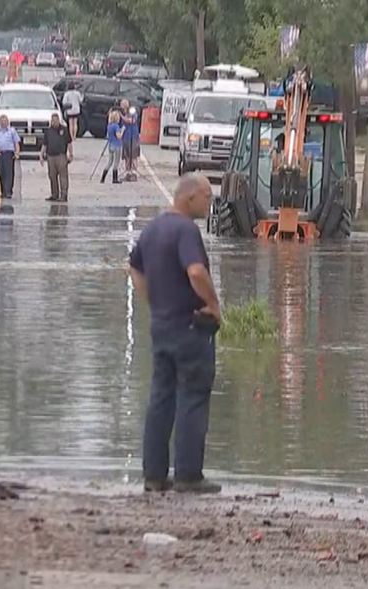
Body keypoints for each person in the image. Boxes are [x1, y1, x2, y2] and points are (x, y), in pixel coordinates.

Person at [128, 172, 222, 495]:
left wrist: (153, 301)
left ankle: (153, 475)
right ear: (190, 197)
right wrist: (213, 303)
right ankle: (188, 476)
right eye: (208, 197)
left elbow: (134, 268)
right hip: (190, 326)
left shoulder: (153, 228)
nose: (211, 203)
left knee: (160, 399)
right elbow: (195, 271)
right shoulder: (186, 231)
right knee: (193, 397)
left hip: (161, 326)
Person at [40, 112, 72, 202]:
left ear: (59, 120)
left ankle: (64, 195)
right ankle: (54, 194)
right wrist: (41, 155)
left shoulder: (64, 130)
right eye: (53, 121)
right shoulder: (48, 131)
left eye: (56, 120)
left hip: (61, 155)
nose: (55, 122)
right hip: (50, 156)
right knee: (52, 176)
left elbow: (69, 143)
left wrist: (71, 154)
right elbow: (44, 144)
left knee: (63, 176)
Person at [0, 115, 21, 199]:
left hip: (8, 154)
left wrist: (17, 152)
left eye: (5, 121)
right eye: (2, 121)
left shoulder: (12, 131)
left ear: (7, 122)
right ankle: (3, 191)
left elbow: (16, 142)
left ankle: (8, 191)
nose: (3, 122)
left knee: (8, 173)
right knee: (1, 172)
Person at [101, 109, 124, 184]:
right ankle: (114, 179)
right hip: (117, 145)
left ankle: (103, 178)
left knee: (109, 162)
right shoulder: (116, 126)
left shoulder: (109, 126)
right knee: (116, 163)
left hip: (110, 145)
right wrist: (122, 130)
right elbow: (119, 136)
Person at [119, 99, 140, 178]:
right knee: (126, 154)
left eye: (124, 105)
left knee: (133, 154)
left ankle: (134, 170)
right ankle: (127, 170)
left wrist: (122, 116)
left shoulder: (132, 112)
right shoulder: (123, 113)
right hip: (125, 137)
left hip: (133, 136)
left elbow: (132, 121)